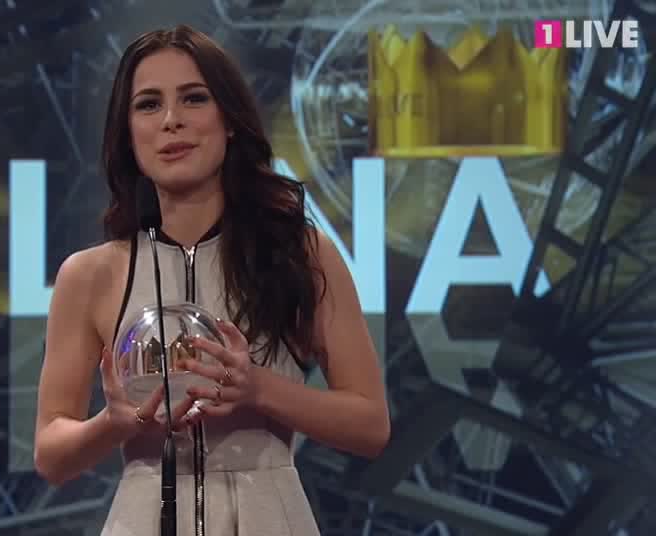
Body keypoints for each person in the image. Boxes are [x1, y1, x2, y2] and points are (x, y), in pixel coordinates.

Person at [34, 24, 390, 535]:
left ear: (230, 121)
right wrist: (111, 423)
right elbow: (51, 454)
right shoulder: (89, 274)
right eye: (149, 104)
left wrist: (259, 388)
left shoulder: (301, 253)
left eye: (194, 98)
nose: (172, 120)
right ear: (128, 134)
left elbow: (371, 425)